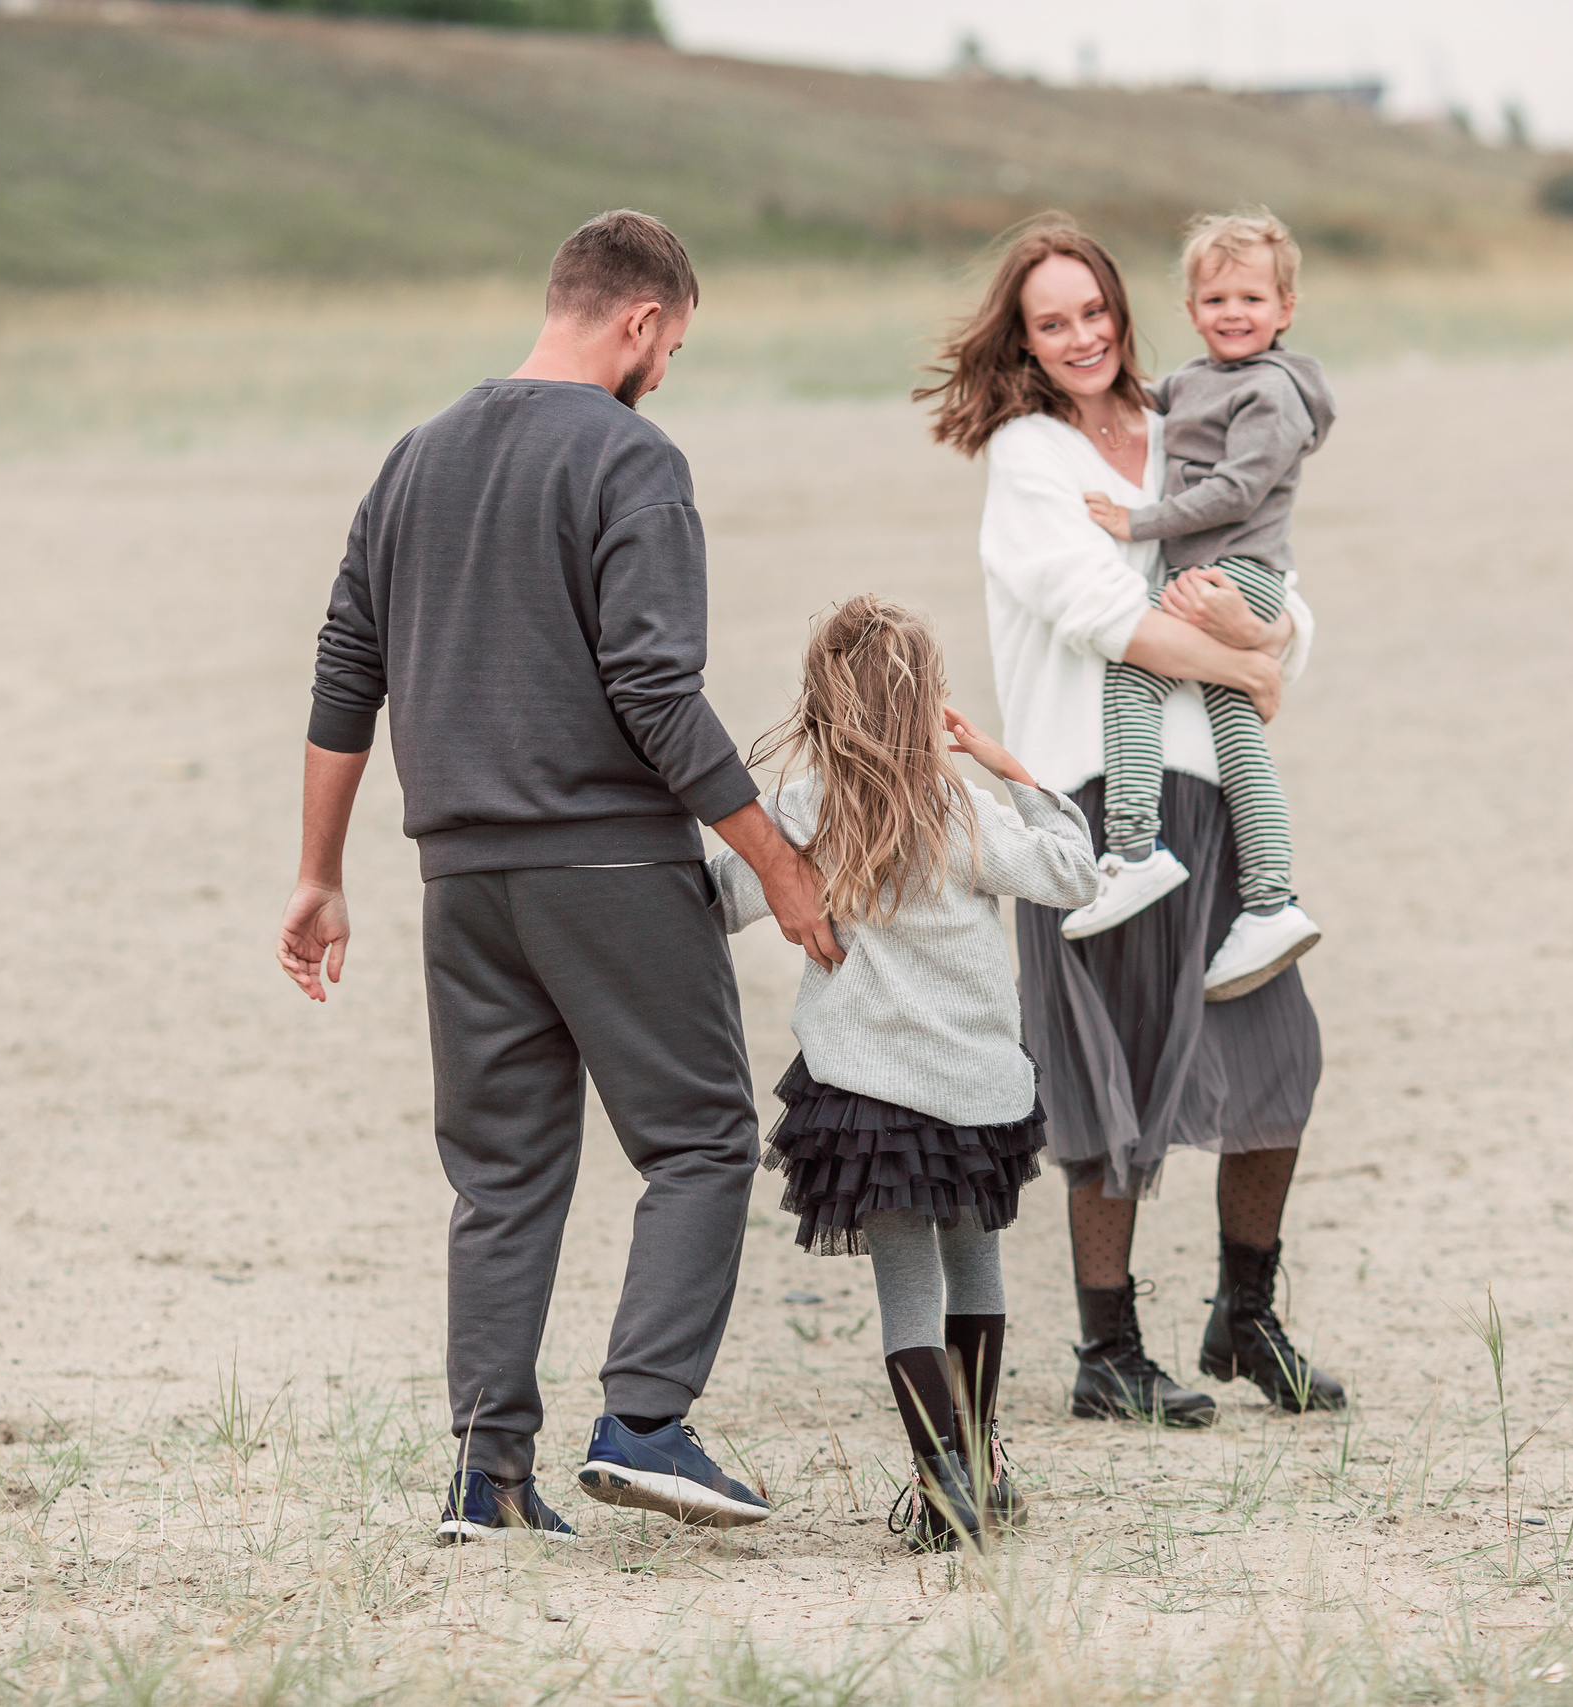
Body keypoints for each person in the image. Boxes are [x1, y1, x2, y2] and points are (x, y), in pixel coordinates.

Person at [276, 210, 844, 1544]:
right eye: (674, 348)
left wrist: (318, 871)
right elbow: (655, 686)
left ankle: (489, 1475)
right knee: (701, 1135)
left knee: (503, 1175)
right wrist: (781, 861)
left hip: (459, 880)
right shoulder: (630, 457)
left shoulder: (415, 459)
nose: (667, 374)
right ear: (641, 321)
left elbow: (345, 668)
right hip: (608, 862)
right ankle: (644, 1419)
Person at [916, 215, 1348, 1423]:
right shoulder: (1028, 456)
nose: (1080, 336)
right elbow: (1097, 609)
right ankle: (1108, 1351)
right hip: (1096, 809)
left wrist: (1268, 647)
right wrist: (1249, 673)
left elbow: (1274, 581)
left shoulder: (1186, 415)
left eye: (1093, 311)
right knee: (1110, 1074)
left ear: (1119, 306)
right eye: (1051, 322)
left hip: (1205, 782)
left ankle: (1245, 1318)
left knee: (1275, 1060)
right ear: (1024, 337)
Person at [710, 597, 1100, 1552]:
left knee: (907, 1290)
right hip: (974, 1088)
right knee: (976, 1261)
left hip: (864, 1099)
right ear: (928, 701)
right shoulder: (963, 804)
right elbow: (1074, 874)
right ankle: (977, 1463)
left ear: (823, 702)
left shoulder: (801, 806)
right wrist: (1013, 769)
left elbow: (719, 898)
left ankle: (942, 1486)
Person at [1069, 209, 1334, 1003]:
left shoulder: (1273, 393)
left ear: (1285, 308)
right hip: (1214, 572)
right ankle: (1269, 901)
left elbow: (1236, 491)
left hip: (1239, 572)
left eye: (1251, 299)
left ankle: (1135, 848)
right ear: (1191, 311)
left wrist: (1136, 522)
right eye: (1216, 300)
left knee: (1134, 670)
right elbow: (1136, 407)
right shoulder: (1192, 379)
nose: (1233, 314)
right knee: (1235, 728)